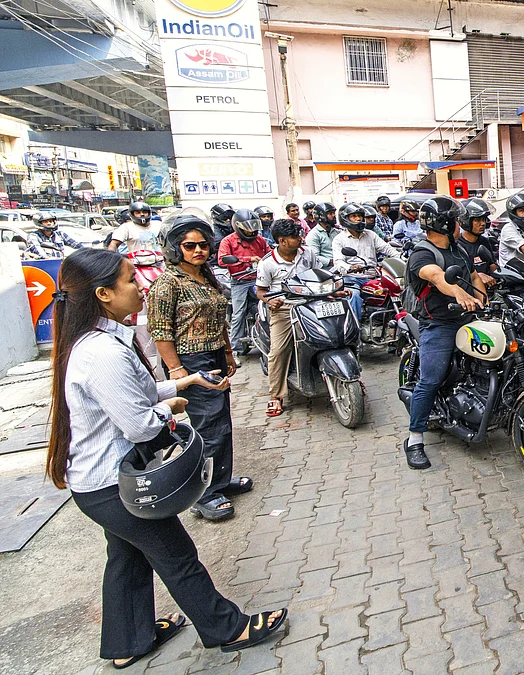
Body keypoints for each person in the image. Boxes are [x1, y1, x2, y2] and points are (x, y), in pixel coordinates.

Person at [44, 248, 286, 669]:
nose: (140, 286)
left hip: (99, 485)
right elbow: (139, 424)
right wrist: (169, 411)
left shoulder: (100, 342)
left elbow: (132, 395)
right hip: (112, 486)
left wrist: (187, 382)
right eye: (129, 281)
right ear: (103, 294)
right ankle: (228, 629)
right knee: (178, 559)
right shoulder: (102, 352)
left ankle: (127, 644)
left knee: (125, 559)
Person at [148, 212, 253, 522]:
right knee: (208, 426)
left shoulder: (206, 276)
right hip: (191, 363)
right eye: (189, 245)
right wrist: (177, 370)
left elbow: (219, 319)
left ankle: (219, 480)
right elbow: (160, 331)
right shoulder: (168, 282)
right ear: (173, 248)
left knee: (222, 421)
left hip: (214, 356)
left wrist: (229, 353)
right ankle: (203, 494)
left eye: (203, 245)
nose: (198, 251)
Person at [402, 196, 487, 470]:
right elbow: (437, 277)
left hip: (468, 318)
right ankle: (414, 439)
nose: (461, 225)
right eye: (456, 221)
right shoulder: (422, 254)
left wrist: (480, 297)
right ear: (445, 224)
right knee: (431, 379)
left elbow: (474, 276)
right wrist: (460, 294)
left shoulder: (459, 249)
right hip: (438, 323)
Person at [256, 219, 324, 417]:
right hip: (285, 309)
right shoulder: (268, 263)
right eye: (295, 237)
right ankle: (276, 396)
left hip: (312, 303)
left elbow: (320, 273)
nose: (300, 239)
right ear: (282, 240)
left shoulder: (308, 253)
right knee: (278, 351)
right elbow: (260, 291)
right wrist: (270, 302)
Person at [332, 203, 402, 319]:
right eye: (353, 216)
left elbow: (386, 248)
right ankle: (355, 328)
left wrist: (401, 258)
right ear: (345, 219)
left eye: (360, 216)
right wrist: (350, 267)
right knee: (354, 295)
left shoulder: (371, 235)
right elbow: (338, 261)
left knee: (396, 289)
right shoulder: (339, 239)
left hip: (373, 275)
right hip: (352, 278)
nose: (358, 219)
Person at [217, 209, 270, 357]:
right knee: (238, 313)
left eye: (254, 226)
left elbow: (270, 254)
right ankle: (235, 349)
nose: (252, 230)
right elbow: (222, 259)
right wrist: (247, 259)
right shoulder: (228, 241)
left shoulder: (260, 240)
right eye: (248, 227)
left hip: (260, 280)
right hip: (240, 281)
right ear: (238, 226)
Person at [459, 197, 498, 273]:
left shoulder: (484, 241)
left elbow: (492, 265)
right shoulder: (458, 245)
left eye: (484, 219)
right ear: (466, 221)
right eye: (477, 220)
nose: (483, 223)